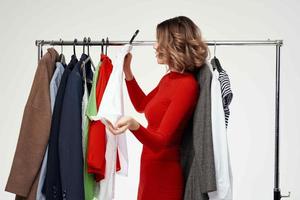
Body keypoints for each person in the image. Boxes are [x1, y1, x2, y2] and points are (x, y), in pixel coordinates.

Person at [107, 16, 209, 200]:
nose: (154, 46)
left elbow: (161, 141)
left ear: (174, 45)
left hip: (165, 177)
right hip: (149, 171)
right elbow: (142, 105)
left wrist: (133, 125)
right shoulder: (168, 79)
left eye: (159, 41)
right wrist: (127, 71)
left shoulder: (187, 86)